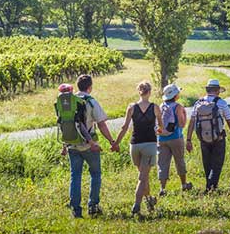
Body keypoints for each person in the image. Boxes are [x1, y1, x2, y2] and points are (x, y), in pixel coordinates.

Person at [65, 74, 117, 219]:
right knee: (95, 174)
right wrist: (111, 141)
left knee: (75, 176)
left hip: (72, 144)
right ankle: (93, 206)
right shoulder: (91, 101)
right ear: (90, 87)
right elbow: (101, 124)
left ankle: (76, 209)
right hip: (89, 145)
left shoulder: (68, 101)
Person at [113, 81, 164, 215]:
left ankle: (149, 199)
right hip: (149, 144)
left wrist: (116, 143)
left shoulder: (131, 107)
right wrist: (157, 130)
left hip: (134, 145)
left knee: (143, 176)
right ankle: (137, 204)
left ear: (139, 91)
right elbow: (161, 128)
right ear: (150, 92)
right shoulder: (155, 107)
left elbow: (124, 128)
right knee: (142, 177)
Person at [186, 79, 230, 192]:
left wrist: (189, 139)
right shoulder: (221, 103)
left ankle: (209, 186)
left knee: (207, 164)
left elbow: (192, 122)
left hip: (203, 139)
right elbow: (229, 120)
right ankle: (211, 188)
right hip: (218, 138)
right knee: (217, 164)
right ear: (218, 90)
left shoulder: (198, 103)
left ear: (208, 90)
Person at [157, 83, 193, 196]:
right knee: (179, 161)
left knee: (162, 163)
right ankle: (183, 184)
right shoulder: (178, 107)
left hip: (161, 138)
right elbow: (182, 124)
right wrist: (185, 115)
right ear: (175, 95)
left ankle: (162, 189)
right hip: (176, 138)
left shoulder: (161, 106)